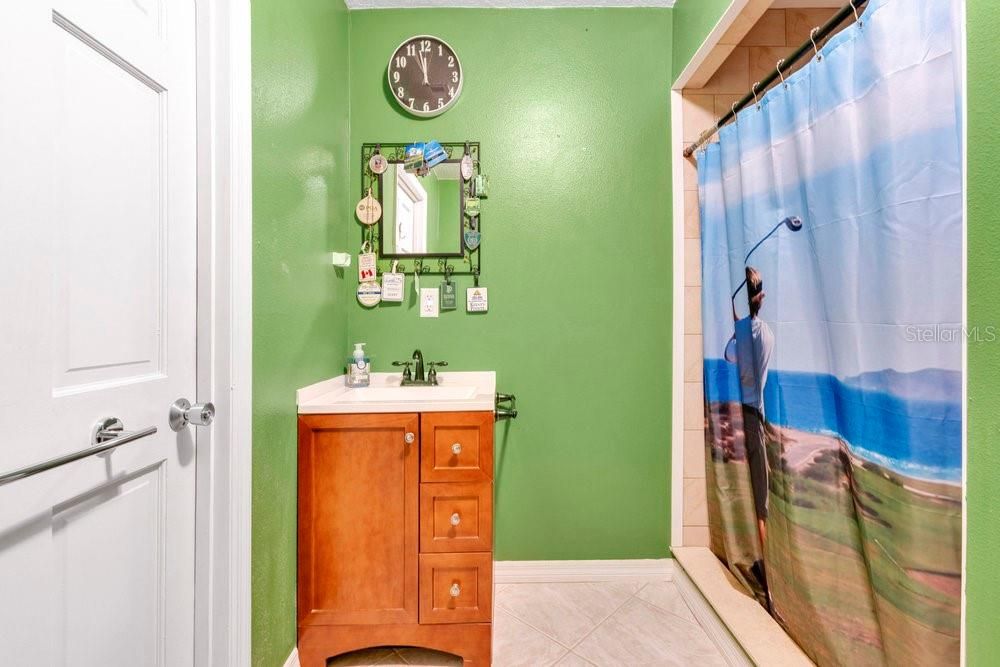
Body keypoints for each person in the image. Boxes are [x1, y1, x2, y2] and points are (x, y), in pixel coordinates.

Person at [731, 266, 774, 604]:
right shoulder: (767, 334)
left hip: (744, 413)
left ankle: (761, 563)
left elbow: (731, 355)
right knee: (761, 495)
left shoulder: (741, 330)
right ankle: (766, 571)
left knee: (755, 488)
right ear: (760, 297)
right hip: (755, 414)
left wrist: (737, 324)